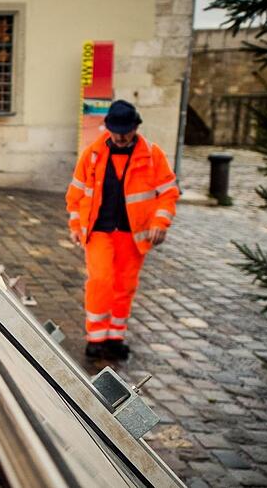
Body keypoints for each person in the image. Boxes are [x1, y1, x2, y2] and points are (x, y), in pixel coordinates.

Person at [65, 99, 179, 360]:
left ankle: (115, 337)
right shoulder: (93, 153)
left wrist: (160, 223)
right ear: (108, 128)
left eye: (125, 132)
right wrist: (75, 225)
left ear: (135, 128)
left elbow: (169, 192)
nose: (119, 137)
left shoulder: (152, 155)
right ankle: (95, 338)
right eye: (115, 132)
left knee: (124, 286)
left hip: (133, 233)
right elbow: (76, 193)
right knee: (101, 280)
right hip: (98, 230)